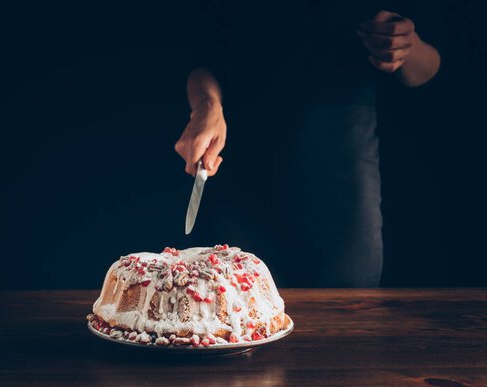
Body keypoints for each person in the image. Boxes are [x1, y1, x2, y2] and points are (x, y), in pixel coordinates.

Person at [174, 2, 441, 287]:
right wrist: (206, 105)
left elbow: (428, 66)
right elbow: (203, 56)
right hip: (239, 186)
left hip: (342, 194)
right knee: (228, 320)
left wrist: (407, 47)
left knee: (347, 323)